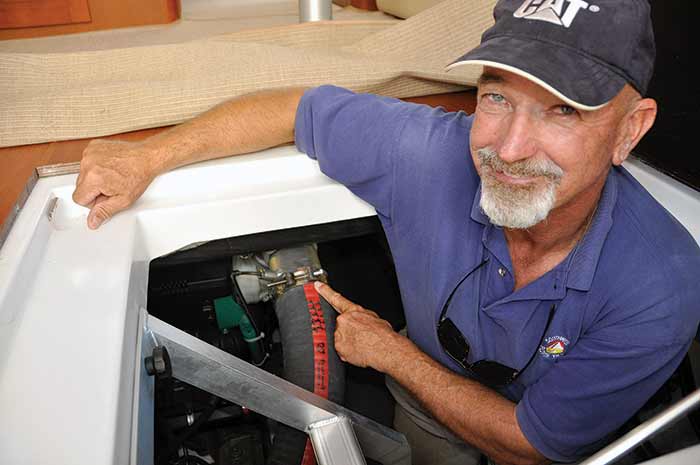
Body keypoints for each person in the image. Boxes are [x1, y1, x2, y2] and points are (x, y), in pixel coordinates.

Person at [73, 1, 700, 464]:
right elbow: (296, 108)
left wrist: (391, 353)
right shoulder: (428, 156)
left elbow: (535, 447)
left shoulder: (663, 285)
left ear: (629, 130)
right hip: (426, 413)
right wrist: (148, 157)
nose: (509, 149)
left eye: (563, 110)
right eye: (496, 96)